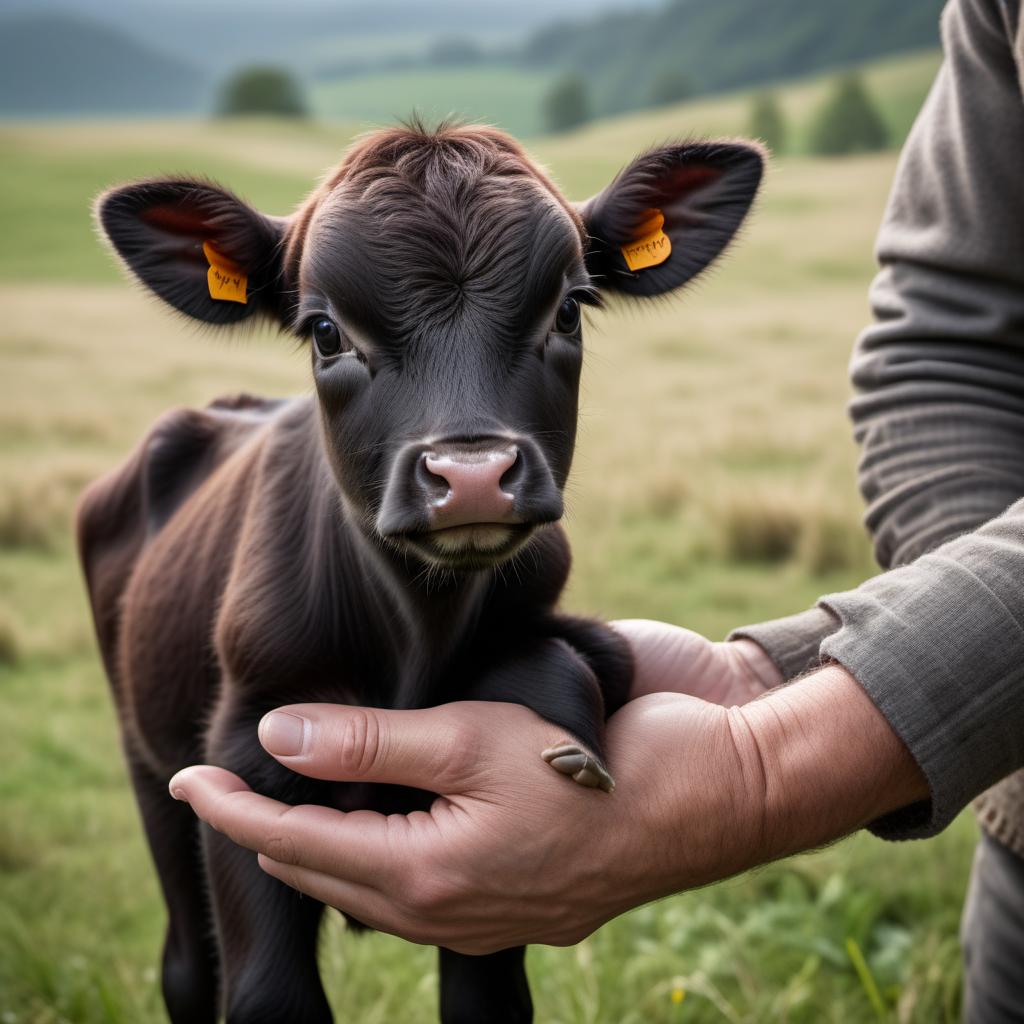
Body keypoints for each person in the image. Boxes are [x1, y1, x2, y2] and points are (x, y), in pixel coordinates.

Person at [170, 0, 1024, 1016]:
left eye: (562, 307)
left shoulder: (529, 569)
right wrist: (976, 721)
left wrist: (772, 764)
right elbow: (949, 345)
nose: (469, 446)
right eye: (332, 335)